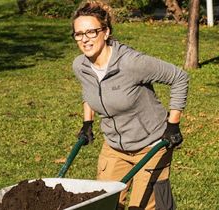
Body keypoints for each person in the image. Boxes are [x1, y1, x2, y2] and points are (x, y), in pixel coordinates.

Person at [71, 1, 189, 210]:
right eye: (79, 34)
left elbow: (179, 77)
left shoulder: (131, 63)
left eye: (91, 32)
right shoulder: (80, 65)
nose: (85, 39)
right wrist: (87, 122)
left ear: (105, 32)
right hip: (114, 147)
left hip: (150, 146)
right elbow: (88, 91)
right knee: (104, 205)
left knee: (143, 207)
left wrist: (173, 125)